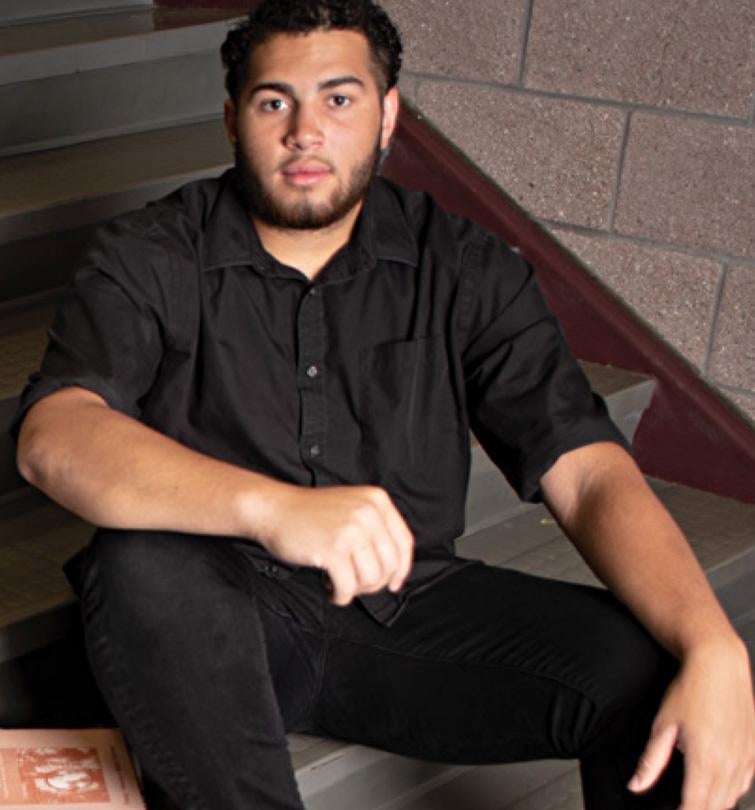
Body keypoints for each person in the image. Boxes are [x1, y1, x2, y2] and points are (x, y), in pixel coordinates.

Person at [12, 1, 754, 808]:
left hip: (409, 613)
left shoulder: (465, 267)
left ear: (387, 114)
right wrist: (273, 510)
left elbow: (588, 473)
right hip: (211, 620)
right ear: (232, 119)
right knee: (139, 561)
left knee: (663, 677)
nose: (305, 131)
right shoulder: (150, 254)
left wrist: (714, 645)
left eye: (338, 98)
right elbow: (56, 436)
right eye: (273, 102)